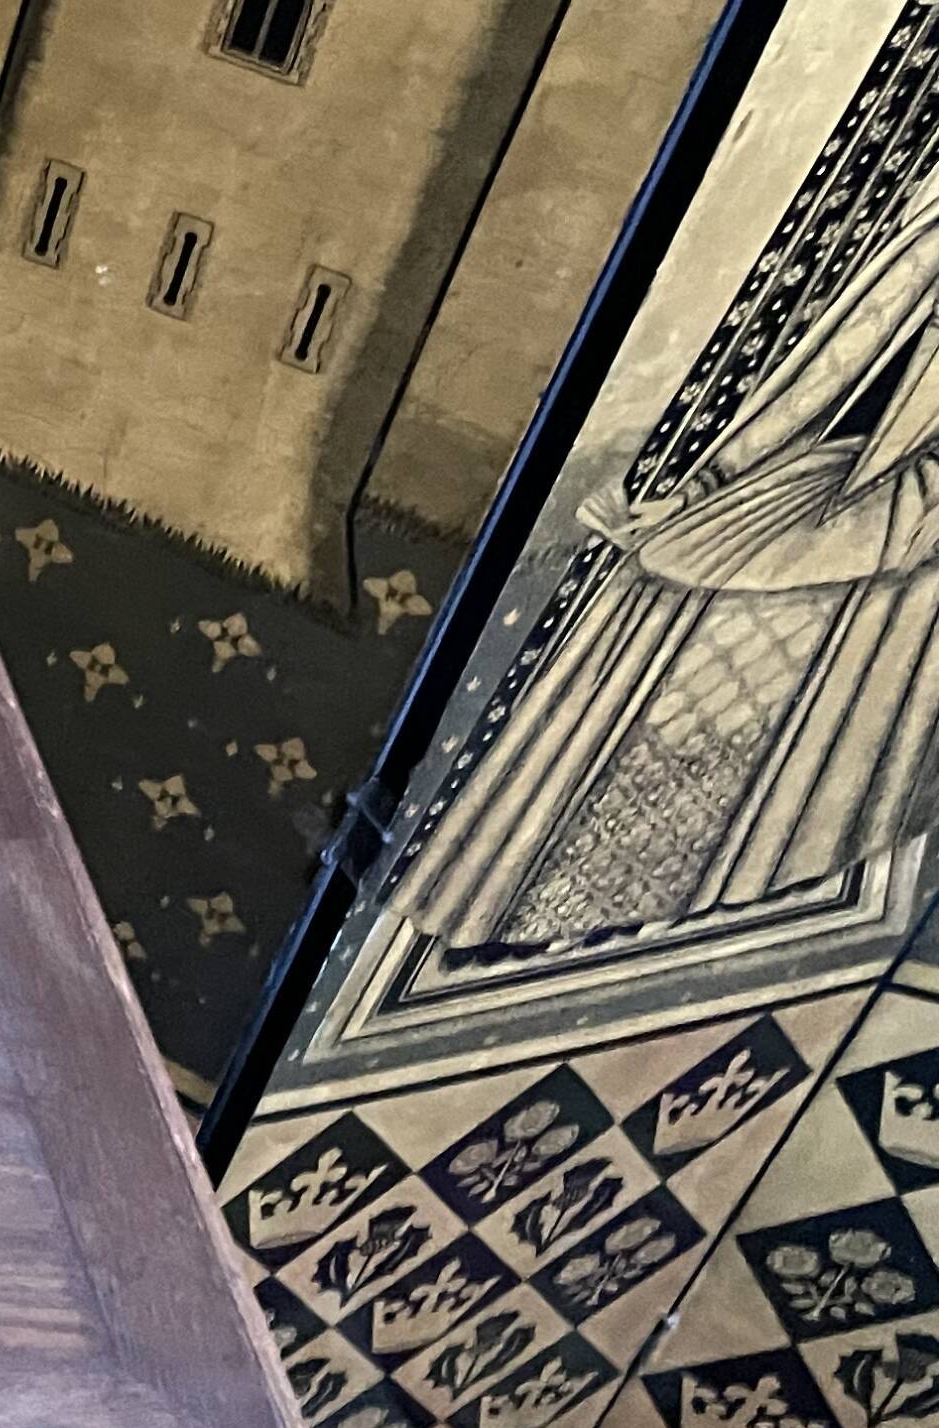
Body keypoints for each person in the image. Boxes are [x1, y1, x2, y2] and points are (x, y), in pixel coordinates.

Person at [396, 176, 939, 957]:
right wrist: (709, 482)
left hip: (870, 521)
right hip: (845, 512)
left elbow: (842, 353)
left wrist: (709, 486)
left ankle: (639, 913)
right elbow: (845, 345)